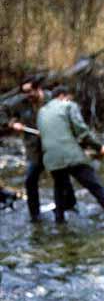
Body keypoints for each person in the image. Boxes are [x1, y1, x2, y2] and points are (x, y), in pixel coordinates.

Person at [36, 86, 104, 229]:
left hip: (51, 159)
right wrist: (99, 147)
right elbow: (81, 130)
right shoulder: (68, 106)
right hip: (71, 156)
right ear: (62, 96)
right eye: (69, 98)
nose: (70, 100)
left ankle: (59, 223)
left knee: (59, 189)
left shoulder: (41, 112)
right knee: (95, 187)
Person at [9, 75, 75, 222]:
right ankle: (35, 215)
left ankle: (68, 205)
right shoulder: (21, 103)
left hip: (53, 146)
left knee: (61, 176)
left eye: (30, 91)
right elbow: (6, 112)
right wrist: (13, 123)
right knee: (30, 180)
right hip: (34, 149)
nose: (27, 95)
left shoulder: (53, 99)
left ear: (38, 89)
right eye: (24, 92)